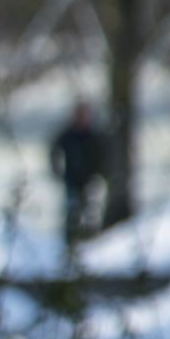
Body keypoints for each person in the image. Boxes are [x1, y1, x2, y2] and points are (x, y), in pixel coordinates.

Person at [49, 98, 108, 245]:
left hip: (89, 180)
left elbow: (103, 156)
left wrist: (100, 174)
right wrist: (57, 172)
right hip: (71, 180)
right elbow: (54, 151)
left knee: (91, 213)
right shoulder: (68, 136)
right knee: (72, 212)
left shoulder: (93, 136)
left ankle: (91, 241)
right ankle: (71, 242)